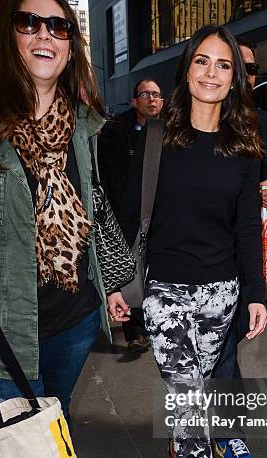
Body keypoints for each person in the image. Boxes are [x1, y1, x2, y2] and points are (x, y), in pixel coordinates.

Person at [117, 24, 267, 458]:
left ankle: (185, 455)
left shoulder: (243, 148)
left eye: (223, 65)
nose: (211, 73)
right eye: (201, 62)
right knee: (187, 405)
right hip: (163, 296)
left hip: (221, 296)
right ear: (187, 72)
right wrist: (116, 283)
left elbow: (248, 230)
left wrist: (256, 294)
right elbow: (129, 217)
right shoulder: (158, 138)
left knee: (194, 399)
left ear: (235, 79)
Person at [0, 0, 116, 458]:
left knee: (41, 442)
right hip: (5, 332)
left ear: (71, 43)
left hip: (71, 321)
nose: (44, 33)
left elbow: (95, 211)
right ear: (10, 35)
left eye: (58, 25)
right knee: (13, 443)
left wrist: (110, 285)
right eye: (29, 22)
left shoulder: (83, 124)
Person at [211, 36, 267, 458]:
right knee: (207, 356)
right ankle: (200, 435)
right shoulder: (189, 122)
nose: (244, 76)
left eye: (251, 69)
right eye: (233, 66)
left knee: (226, 350)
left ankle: (224, 430)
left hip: (244, 255)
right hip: (190, 265)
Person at [98, 79, 164, 354]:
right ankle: (135, 330)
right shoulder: (115, 132)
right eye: (145, 94)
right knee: (129, 268)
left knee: (154, 270)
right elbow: (104, 172)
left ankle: (155, 322)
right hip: (124, 213)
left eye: (157, 95)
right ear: (134, 101)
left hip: (159, 212)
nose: (151, 99)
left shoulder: (171, 131)